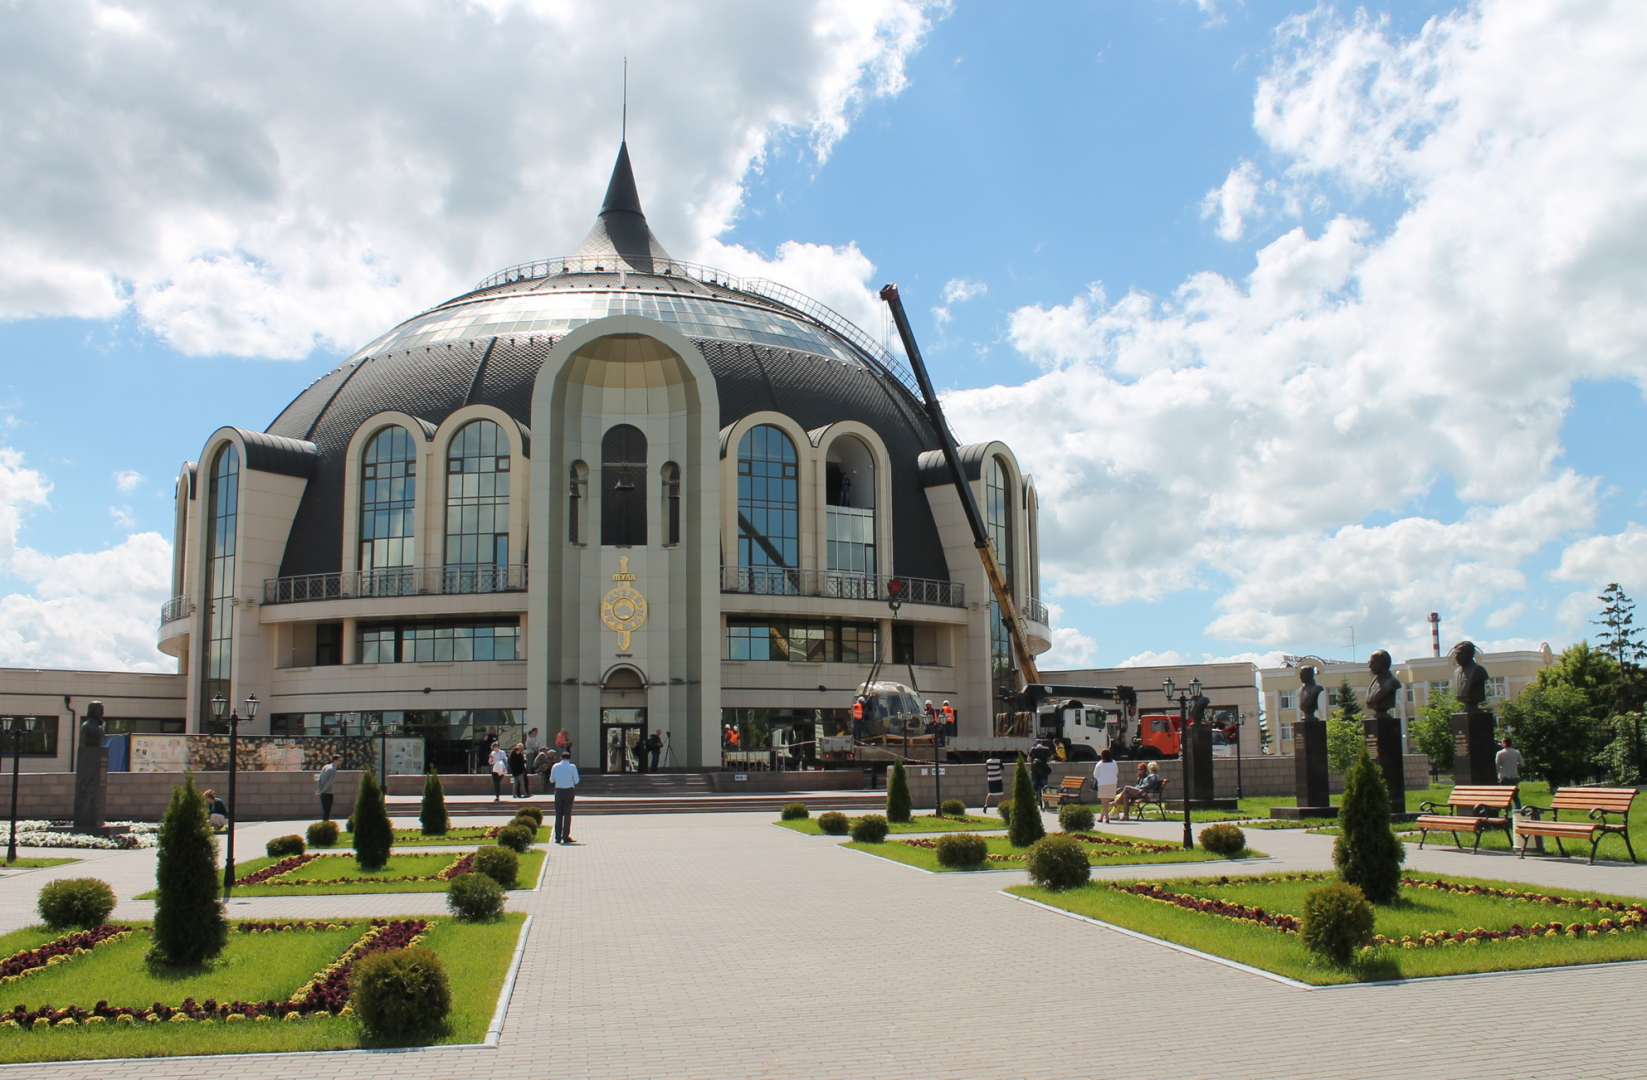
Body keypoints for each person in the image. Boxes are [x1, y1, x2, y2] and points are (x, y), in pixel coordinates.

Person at [550, 749, 580, 844]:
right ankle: (565, 836)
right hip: (569, 791)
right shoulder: (572, 767)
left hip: (558, 791)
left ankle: (557, 837)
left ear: (561, 758)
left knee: (558, 814)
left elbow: (551, 780)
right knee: (567, 815)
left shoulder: (555, 766)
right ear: (569, 758)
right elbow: (576, 780)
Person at [1093, 748, 1119, 824]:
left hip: (1103, 783)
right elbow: (1116, 772)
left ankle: (1107, 818)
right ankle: (1101, 817)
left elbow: (1095, 775)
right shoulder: (1114, 762)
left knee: (1104, 801)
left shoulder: (1099, 764)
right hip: (1112, 782)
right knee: (1106, 801)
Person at [1496, 736, 1523, 808]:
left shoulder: (1500, 753)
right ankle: (1518, 810)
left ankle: (1507, 810)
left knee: (1505, 796)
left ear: (1504, 743)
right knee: (1515, 796)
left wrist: (1500, 768)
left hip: (1504, 776)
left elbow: (1497, 766)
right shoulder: (1516, 752)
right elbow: (1522, 764)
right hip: (1514, 776)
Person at [315, 754, 341, 821]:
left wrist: (319, 790)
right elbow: (330, 783)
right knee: (327, 811)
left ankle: (324, 823)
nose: (340, 762)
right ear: (334, 760)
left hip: (322, 793)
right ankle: (325, 824)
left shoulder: (325, 767)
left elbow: (320, 779)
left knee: (324, 810)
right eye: (339, 760)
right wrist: (322, 791)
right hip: (329, 793)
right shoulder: (333, 770)